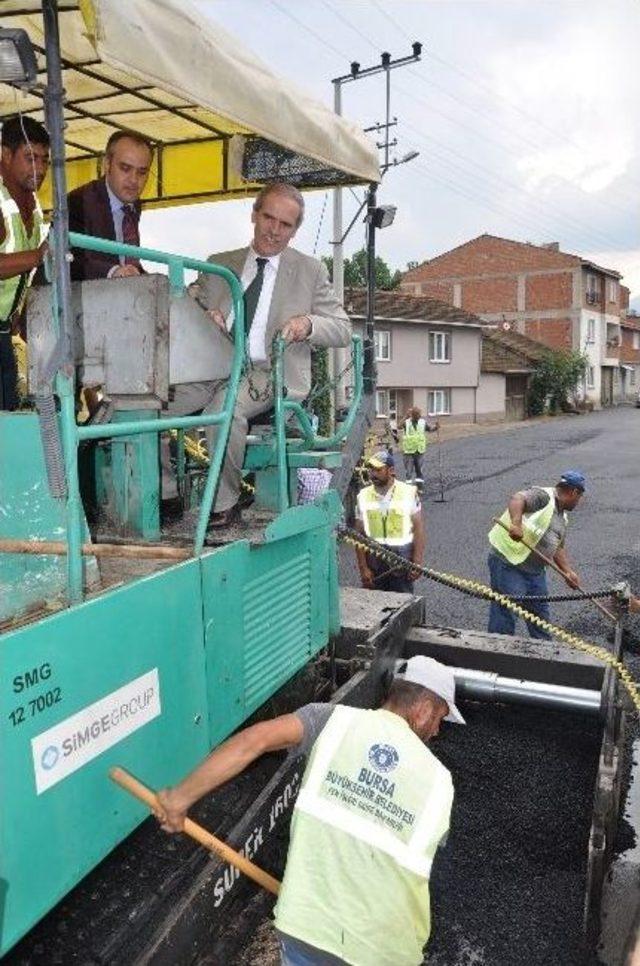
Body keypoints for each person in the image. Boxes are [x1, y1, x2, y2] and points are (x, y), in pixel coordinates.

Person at [154, 655, 464, 966]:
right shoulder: (440, 782)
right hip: (381, 952)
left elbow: (254, 740)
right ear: (423, 709)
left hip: (305, 931)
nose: (436, 730)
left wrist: (180, 797)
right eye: (439, 718)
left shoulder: (332, 721)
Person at [171, 181, 351, 526]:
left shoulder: (312, 271)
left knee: (224, 408)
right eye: (269, 218)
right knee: (153, 403)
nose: (274, 230)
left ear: (295, 231)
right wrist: (204, 315)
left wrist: (307, 323)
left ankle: (225, 502)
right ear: (255, 214)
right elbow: (191, 300)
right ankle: (165, 494)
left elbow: (342, 328)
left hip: (270, 373)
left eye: (286, 225)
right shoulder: (219, 264)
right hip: (213, 366)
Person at [487, 471, 585, 639]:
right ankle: (496, 654)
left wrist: (567, 572)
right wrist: (516, 524)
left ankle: (546, 655)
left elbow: (557, 547)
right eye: (580, 496)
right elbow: (518, 499)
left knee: (540, 618)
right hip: (509, 564)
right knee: (506, 612)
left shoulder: (562, 518)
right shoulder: (543, 497)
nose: (580, 501)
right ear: (574, 492)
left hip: (535, 573)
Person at [0, 115, 50, 411]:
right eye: (30, 158)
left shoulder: (32, 206)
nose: (40, 169)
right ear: (5, 155)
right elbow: (34, 257)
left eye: (44, 160)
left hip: (4, 334)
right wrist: (38, 255)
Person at [67, 130, 153, 280]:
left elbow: (126, 262)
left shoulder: (133, 207)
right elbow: (66, 260)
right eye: (125, 169)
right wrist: (113, 272)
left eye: (142, 172)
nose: (134, 180)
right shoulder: (78, 201)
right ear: (107, 164)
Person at [354, 450, 425, 594]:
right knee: (375, 608)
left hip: (401, 563)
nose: (373, 474)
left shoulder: (408, 493)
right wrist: (363, 568)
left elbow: (418, 529)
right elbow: (358, 535)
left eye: (378, 470)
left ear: (391, 470)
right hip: (375, 564)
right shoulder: (363, 496)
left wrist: (417, 562)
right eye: (371, 470)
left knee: (402, 606)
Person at [401, 406, 438, 486]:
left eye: (419, 414)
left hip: (419, 451)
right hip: (409, 451)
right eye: (417, 414)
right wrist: (406, 416)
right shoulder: (406, 422)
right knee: (409, 472)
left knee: (419, 471)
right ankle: (408, 488)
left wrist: (436, 427)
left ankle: (419, 487)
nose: (419, 416)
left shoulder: (422, 422)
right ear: (413, 415)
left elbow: (430, 429)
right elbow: (399, 426)